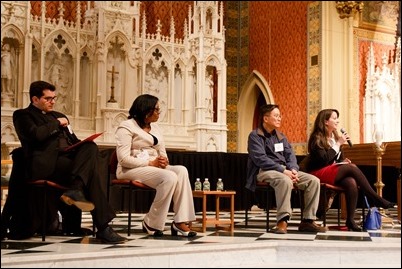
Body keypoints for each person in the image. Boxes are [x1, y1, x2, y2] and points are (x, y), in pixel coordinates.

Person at [11, 80, 127, 243]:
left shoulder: (59, 115)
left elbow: (73, 140)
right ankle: (102, 226)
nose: (53, 102)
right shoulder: (23, 115)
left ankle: (77, 190)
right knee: (91, 174)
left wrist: (81, 143)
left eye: (54, 98)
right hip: (45, 165)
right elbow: (35, 136)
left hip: (68, 163)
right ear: (35, 99)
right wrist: (57, 123)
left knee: (90, 147)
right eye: (48, 99)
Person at [114, 94, 197, 237]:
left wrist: (164, 161)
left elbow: (162, 153)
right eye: (157, 109)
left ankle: (180, 221)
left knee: (181, 170)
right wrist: (150, 162)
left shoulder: (156, 128)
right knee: (169, 177)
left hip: (153, 167)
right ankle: (151, 222)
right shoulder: (126, 127)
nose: (159, 113)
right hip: (130, 169)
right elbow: (123, 159)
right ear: (146, 111)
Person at [303, 109, 396, 231]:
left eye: (337, 118)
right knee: (352, 168)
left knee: (351, 181)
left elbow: (336, 160)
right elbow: (323, 160)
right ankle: (375, 198)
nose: (337, 121)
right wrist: (338, 144)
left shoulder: (334, 138)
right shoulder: (317, 138)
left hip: (330, 172)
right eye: (334, 118)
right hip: (316, 173)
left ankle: (350, 220)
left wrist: (343, 162)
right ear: (325, 121)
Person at [246, 104, 327, 234]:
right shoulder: (255, 136)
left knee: (313, 180)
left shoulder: (281, 136)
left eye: (280, 116)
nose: (279, 118)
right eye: (276, 116)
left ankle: (308, 220)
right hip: (264, 170)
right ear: (266, 119)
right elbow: (260, 159)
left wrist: (294, 169)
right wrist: (284, 171)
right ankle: (282, 221)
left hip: (285, 170)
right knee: (285, 180)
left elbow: (290, 155)